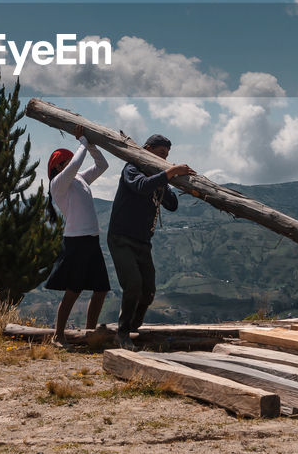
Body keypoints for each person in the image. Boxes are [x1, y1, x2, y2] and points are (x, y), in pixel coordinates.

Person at [107, 133, 193, 350]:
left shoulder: (158, 178)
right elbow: (141, 186)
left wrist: (168, 179)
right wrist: (170, 172)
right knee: (133, 284)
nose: (164, 159)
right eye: (160, 154)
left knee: (149, 290)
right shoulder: (132, 168)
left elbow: (172, 204)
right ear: (147, 150)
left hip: (143, 242)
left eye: (166, 156)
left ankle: (133, 326)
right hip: (122, 238)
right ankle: (123, 333)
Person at [43, 124, 111, 347]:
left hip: (91, 240)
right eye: (65, 161)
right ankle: (58, 336)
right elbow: (75, 165)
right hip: (76, 242)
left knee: (101, 289)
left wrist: (90, 145)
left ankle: (90, 334)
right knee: (74, 290)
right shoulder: (58, 184)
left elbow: (103, 165)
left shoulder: (79, 179)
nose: (69, 163)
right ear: (58, 166)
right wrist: (82, 141)